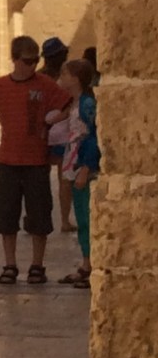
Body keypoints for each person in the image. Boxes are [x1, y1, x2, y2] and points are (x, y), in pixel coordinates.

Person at [0, 35, 71, 285]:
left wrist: (52, 121)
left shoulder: (45, 85)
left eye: (35, 60)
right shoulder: (0, 86)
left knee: (39, 215)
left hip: (36, 160)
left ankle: (37, 264)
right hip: (8, 159)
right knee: (6, 215)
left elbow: (68, 104)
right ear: (15, 59)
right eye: (27, 61)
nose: (32, 65)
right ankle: (10, 264)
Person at [56, 59, 101, 288]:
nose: (61, 78)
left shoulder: (86, 104)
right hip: (74, 165)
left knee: (87, 217)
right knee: (82, 217)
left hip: (83, 167)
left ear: (75, 78)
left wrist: (85, 168)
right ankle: (86, 263)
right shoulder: (75, 103)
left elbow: (92, 136)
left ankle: (92, 264)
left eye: (64, 74)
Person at [41, 36, 75, 232]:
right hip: (63, 134)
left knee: (40, 180)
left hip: (43, 135)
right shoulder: (68, 78)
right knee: (65, 181)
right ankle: (64, 220)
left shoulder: (37, 79)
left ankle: (38, 217)